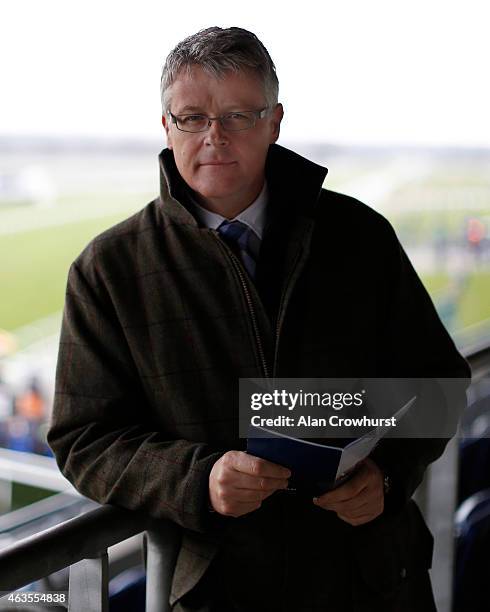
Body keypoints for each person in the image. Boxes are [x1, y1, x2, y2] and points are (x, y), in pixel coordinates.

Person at [47, 26, 470, 612]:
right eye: (192, 117)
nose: (214, 136)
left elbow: (440, 385)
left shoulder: (359, 236)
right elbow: (84, 439)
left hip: (374, 575)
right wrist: (199, 478)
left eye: (239, 116)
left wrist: (390, 475)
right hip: (223, 588)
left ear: (274, 121)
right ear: (166, 127)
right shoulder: (109, 269)